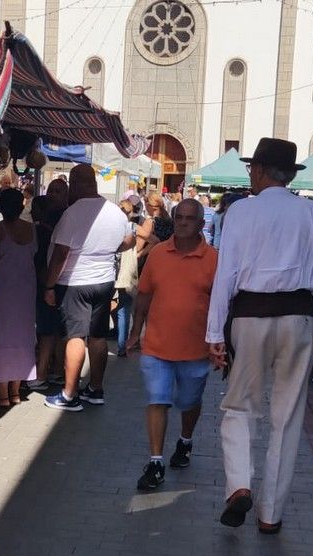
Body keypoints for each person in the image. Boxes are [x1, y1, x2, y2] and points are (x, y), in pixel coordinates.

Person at [205, 138, 313, 534]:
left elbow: (225, 274)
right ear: (288, 174)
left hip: (250, 316)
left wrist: (214, 332)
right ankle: (270, 515)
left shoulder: (241, 211)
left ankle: (240, 483)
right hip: (297, 317)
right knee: (287, 416)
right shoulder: (312, 212)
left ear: (259, 170)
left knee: (240, 407)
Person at [128, 199, 218, 491]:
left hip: (196, 350)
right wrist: (135, 332)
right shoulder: (157, 254)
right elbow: (143, 295)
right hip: (156, 346)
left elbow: (222, 306)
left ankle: (186, 440)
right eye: (179, 217)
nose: (182, 223)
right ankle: (155, 462)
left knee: (190, 401)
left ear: (201, 224)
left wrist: (222, 341)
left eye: (190, 219)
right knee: (158, 399)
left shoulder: (214, 259)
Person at [41, 165, 135, 411]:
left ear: (76, 183)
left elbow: (61, 253)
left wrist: (49, 285)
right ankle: (95, 389)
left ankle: (69, 394)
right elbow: (130, 240)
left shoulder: (72, 213)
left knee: (75, 338)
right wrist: (108, 249)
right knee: (98, 337)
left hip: (75, 282)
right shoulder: (116, 212)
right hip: (104, 281)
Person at [0, 189, 38, 406]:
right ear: (22, 207)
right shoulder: (32, 230)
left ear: (0, 207)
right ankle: (15, 393)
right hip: (26, 292)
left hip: (1, 292)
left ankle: (2, 396)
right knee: (22, 339)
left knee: (0, 339)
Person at [24, 181, 70, 393]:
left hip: (50, 281)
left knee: (47, 330)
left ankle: (41, 374)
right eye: (50, 190)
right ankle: (58, 372)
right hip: (57, 281)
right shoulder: (64, 218)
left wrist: (47, 284)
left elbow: (52, 254)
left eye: (57, 191)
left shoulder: (56, 221)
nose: (52, 194)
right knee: (58, 330)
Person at [114, 200, 141, 357]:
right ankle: (121, 346)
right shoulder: (133, 227)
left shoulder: (111, 227)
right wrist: (138, 253)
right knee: (123, 310)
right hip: (125, 273)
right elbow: (154, 240)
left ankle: (96, 338)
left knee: (112, 308)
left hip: (109, 272)